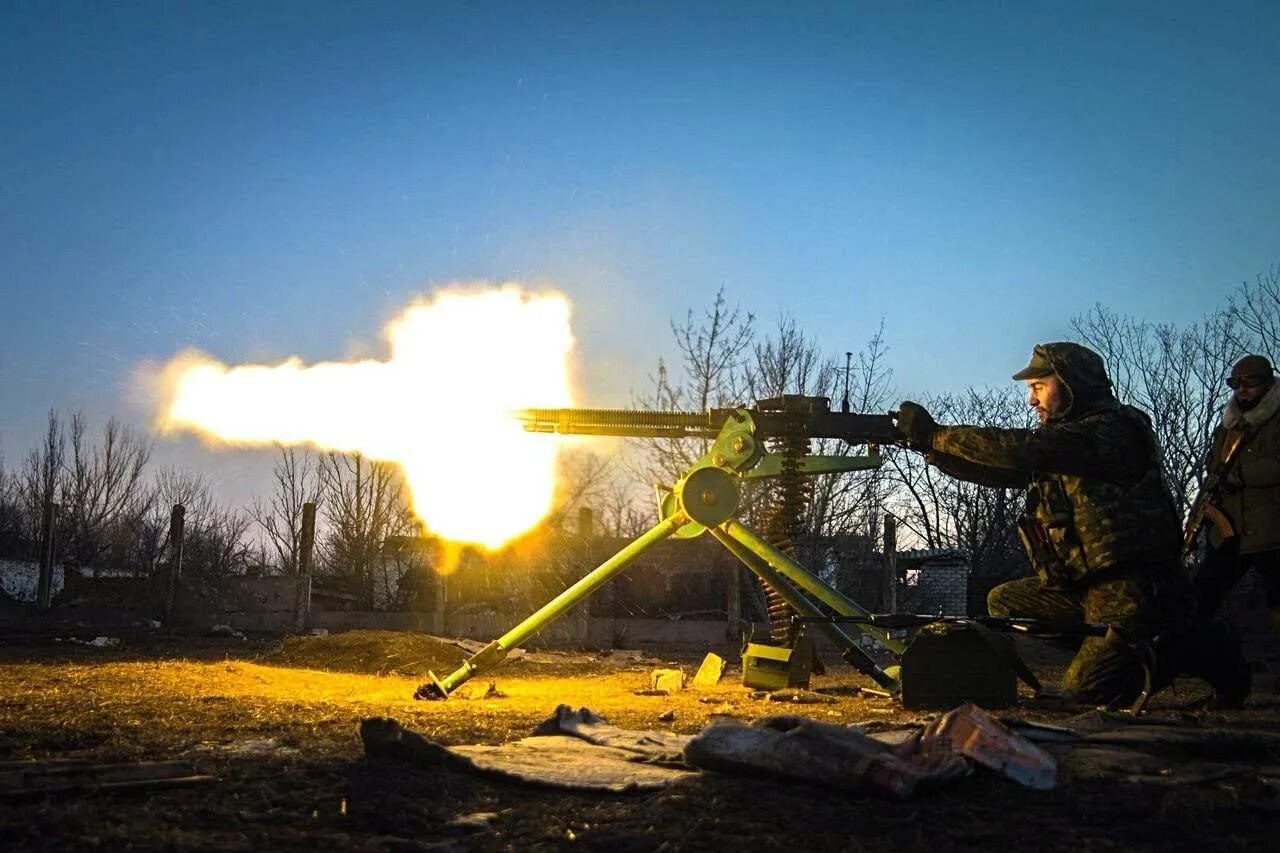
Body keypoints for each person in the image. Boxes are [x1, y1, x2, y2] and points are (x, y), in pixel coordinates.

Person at [897, 341, 1249, 707]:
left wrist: (937, 433)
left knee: (1088, 694)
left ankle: (1190, 644)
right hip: (1084, 588)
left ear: (1071, 384)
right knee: (1005, 600)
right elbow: (1002, 468)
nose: (1032, 401)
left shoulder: (1115, 429)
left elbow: (1021, 449)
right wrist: (931, 449)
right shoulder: (1066, 446)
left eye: (1039, 387)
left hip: (1136, 590)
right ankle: (1122, 648)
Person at [1192, 355, 1280, 651]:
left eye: (1250, 382)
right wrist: (1197, 517)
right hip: (1230, 532)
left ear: (1267, 382)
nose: (1241, 389)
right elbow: (1214, 472)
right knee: (1199, 599)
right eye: (1235, 383)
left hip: (1273, 530)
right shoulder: (1229, 426)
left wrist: (1242, 475)